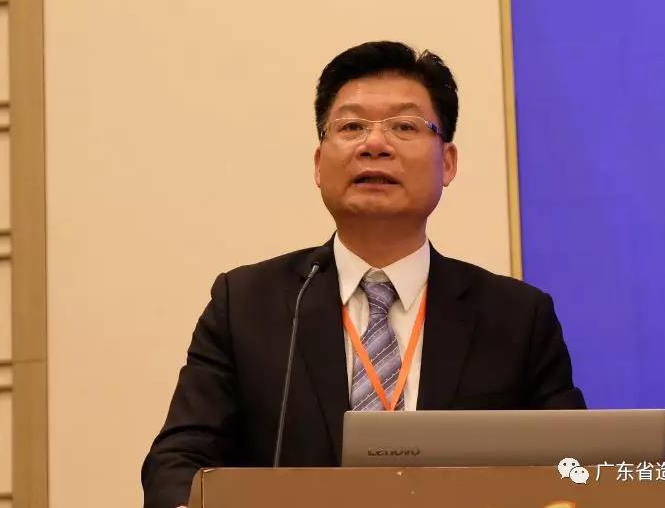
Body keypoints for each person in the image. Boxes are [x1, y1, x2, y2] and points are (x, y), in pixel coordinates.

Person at [141, 40, 586, 508]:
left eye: (405, 126)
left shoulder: (516, 318)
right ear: (319, 164)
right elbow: (177, 462)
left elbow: (574, 468)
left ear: (448, 162)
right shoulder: (246, 304)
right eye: (352, 126)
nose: (374, 145)